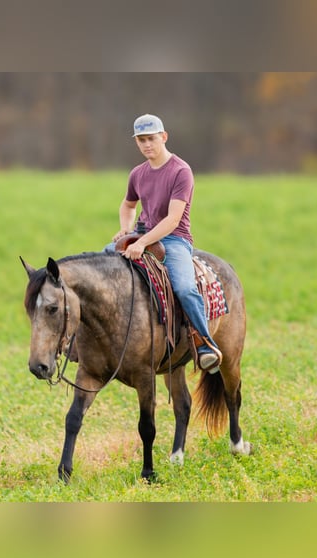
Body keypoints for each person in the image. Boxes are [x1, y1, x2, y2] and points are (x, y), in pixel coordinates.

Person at [107, 113, 222, 372]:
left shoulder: (181, 171)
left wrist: (141, 243)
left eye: (151, 138)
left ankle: (205, 343)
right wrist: (126, 229)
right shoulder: (137, 173)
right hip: (140, 234)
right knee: (99, 266)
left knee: (183, 287)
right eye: (141, 140)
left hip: (174, 240)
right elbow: (128, 205)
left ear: (164, 137)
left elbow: (172, 220)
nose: (147, 145)